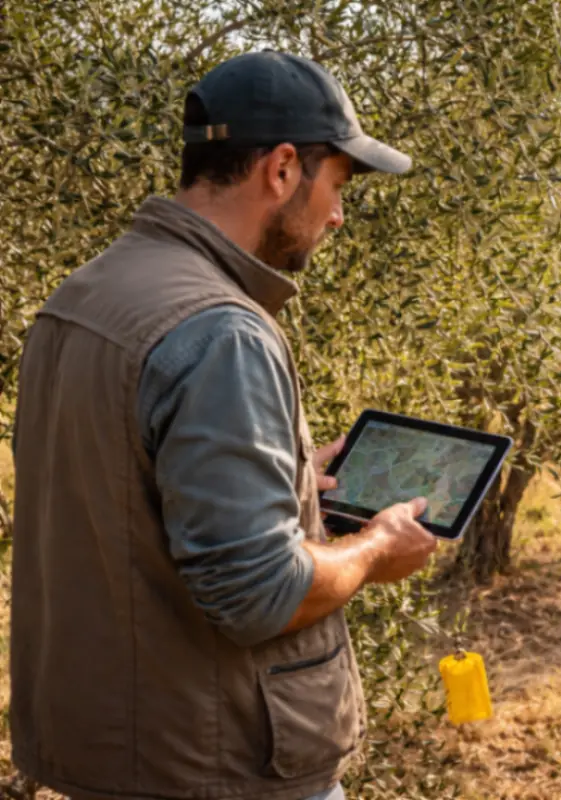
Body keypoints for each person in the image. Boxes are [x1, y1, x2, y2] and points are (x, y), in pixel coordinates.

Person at [9, 51, 437, 800]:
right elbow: (257, 594)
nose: (337, 214)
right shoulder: (222, 334)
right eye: (337, 184)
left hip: (107, 751)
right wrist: (375, 548)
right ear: (279, 169)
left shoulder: (84, 294)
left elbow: (123, 496)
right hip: (213, 766)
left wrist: (293, 473)